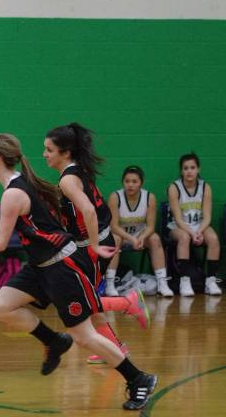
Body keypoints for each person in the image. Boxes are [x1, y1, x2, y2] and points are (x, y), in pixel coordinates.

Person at [0, 133, 157, 410]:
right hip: (39, 266)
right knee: (0, 306)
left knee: (84, 335)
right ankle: (54, 340)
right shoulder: (18, 184)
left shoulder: (13, 193)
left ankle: (139, 378)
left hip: (61, 267)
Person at [43, 123, 149, 366]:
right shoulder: (77, 171)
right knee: (88, 302)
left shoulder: (68, 180)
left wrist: (93, 245)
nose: (45, 154)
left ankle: (128, 303)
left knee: (83, 300)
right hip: (95, 241)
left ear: (65, 152)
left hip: (94, 244)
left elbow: (89, 211)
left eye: (49, 150)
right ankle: (115, 347)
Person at [107, 166, 173, 297]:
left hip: (140, 235)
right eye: (127, 181)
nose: (130, 185)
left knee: (154, 239)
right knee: (114, 239)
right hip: (121, 235)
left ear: (141, 183)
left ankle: (162, 283)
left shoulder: (149, 197)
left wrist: (141, 237)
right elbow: (114, 226)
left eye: (134, 181)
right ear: (122, 182)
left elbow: (150, 226)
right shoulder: (115, 197)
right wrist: (132, 239)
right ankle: (109, 284)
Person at [167, 152, 222, 296]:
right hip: (178, 227)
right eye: (185, 168)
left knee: (214, 239)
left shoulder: (205, 187)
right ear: (181, 171)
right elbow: (178, 219)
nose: (189, 171)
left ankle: (211, 281)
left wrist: (199, 231)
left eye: (192, 167)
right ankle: (184, 282)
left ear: (198, 169)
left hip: (199, 226)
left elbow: (207, 216)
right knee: (184, 237)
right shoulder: (174, 187)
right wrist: (193, 233)